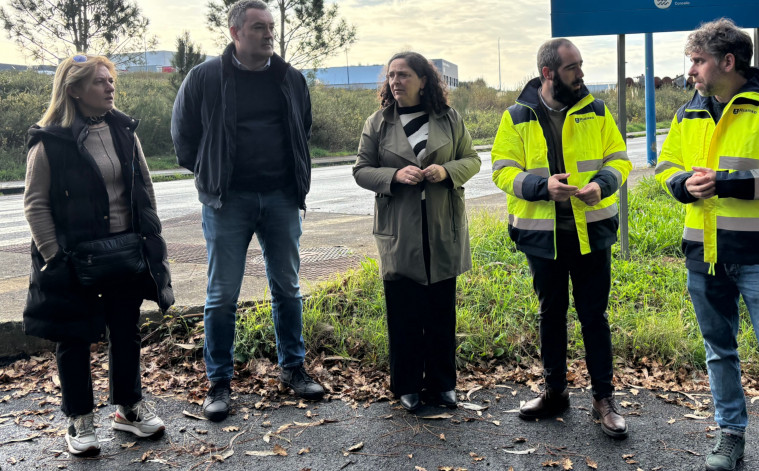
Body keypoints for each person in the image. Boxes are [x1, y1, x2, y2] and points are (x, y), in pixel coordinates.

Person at [654, 18, 759, 471]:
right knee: (718, 351)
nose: (691, 71)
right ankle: (731, 436)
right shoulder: (690, 109)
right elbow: (666, 162)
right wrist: (683, 185)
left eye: (698, 61)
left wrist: (724, 183)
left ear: (728, 61)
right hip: (703, 254)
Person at [171, 0, 323, 422]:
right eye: (258, 27)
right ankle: (219, 382)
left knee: (288, 287)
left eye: (270, 26)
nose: (268, 33)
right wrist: (213, 173)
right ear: (236, 33)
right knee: (221, 295)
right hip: (227, 201)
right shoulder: (205, 77)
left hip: (280, 198)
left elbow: (302, 127)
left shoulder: (290, 78)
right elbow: (183, 136)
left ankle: (293, 368)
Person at [23, 54, 174, 457]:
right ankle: (79, 418)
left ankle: (128, 409)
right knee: (74, 336)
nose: (110, 87)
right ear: (73, 89)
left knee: (126, 330)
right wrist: (54, 257)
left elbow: (144, 188)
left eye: (111, 80)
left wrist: (150, 240)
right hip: (71, 259)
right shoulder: (49, 141)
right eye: (99, 82)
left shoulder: (125, 132)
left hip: (124, 253)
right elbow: (35, 204)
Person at [490, 38, 632, 438]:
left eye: (581, 65)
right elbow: (502, 170)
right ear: (548, 73)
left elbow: (619, 159)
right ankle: (556, 394)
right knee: (550, 315)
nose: (581, 74)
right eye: (573, 67)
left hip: (592, 232)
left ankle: (604, 400)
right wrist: (541, 187)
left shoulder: (597, 110)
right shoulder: (516, 117)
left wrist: (602, 184)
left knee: (594, 317)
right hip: (542, 237)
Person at [353, 52, 481, 412]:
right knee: (404, 312)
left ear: (423, 80)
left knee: (441, 312)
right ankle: (407, 385)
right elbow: (361, 170)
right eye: (391, 75)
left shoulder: (449, 118)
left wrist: (446, 172)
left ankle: (443, 384)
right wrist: (393, 176)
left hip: (442, 228)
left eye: (404, 75)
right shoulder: (378, 122)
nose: (396, 81)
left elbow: (472, 159)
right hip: (399, 231)